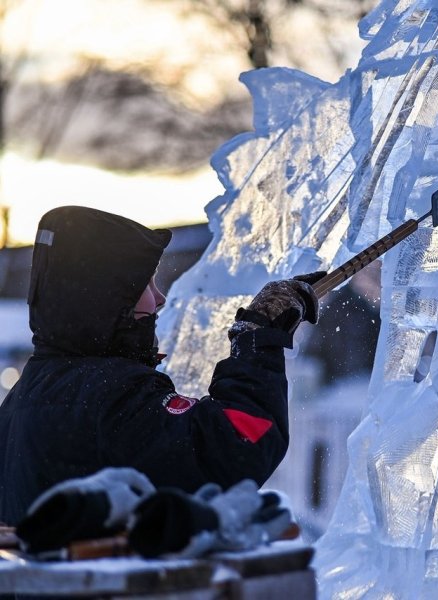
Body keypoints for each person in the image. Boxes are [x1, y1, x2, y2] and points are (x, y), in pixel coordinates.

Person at [0, 206, 323, 526]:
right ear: (108, 297)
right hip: (106, 579)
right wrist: (257, 339)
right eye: (145, 285)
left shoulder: (29, 390)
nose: (159, 298)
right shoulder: (111, 392)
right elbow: (235, 447)